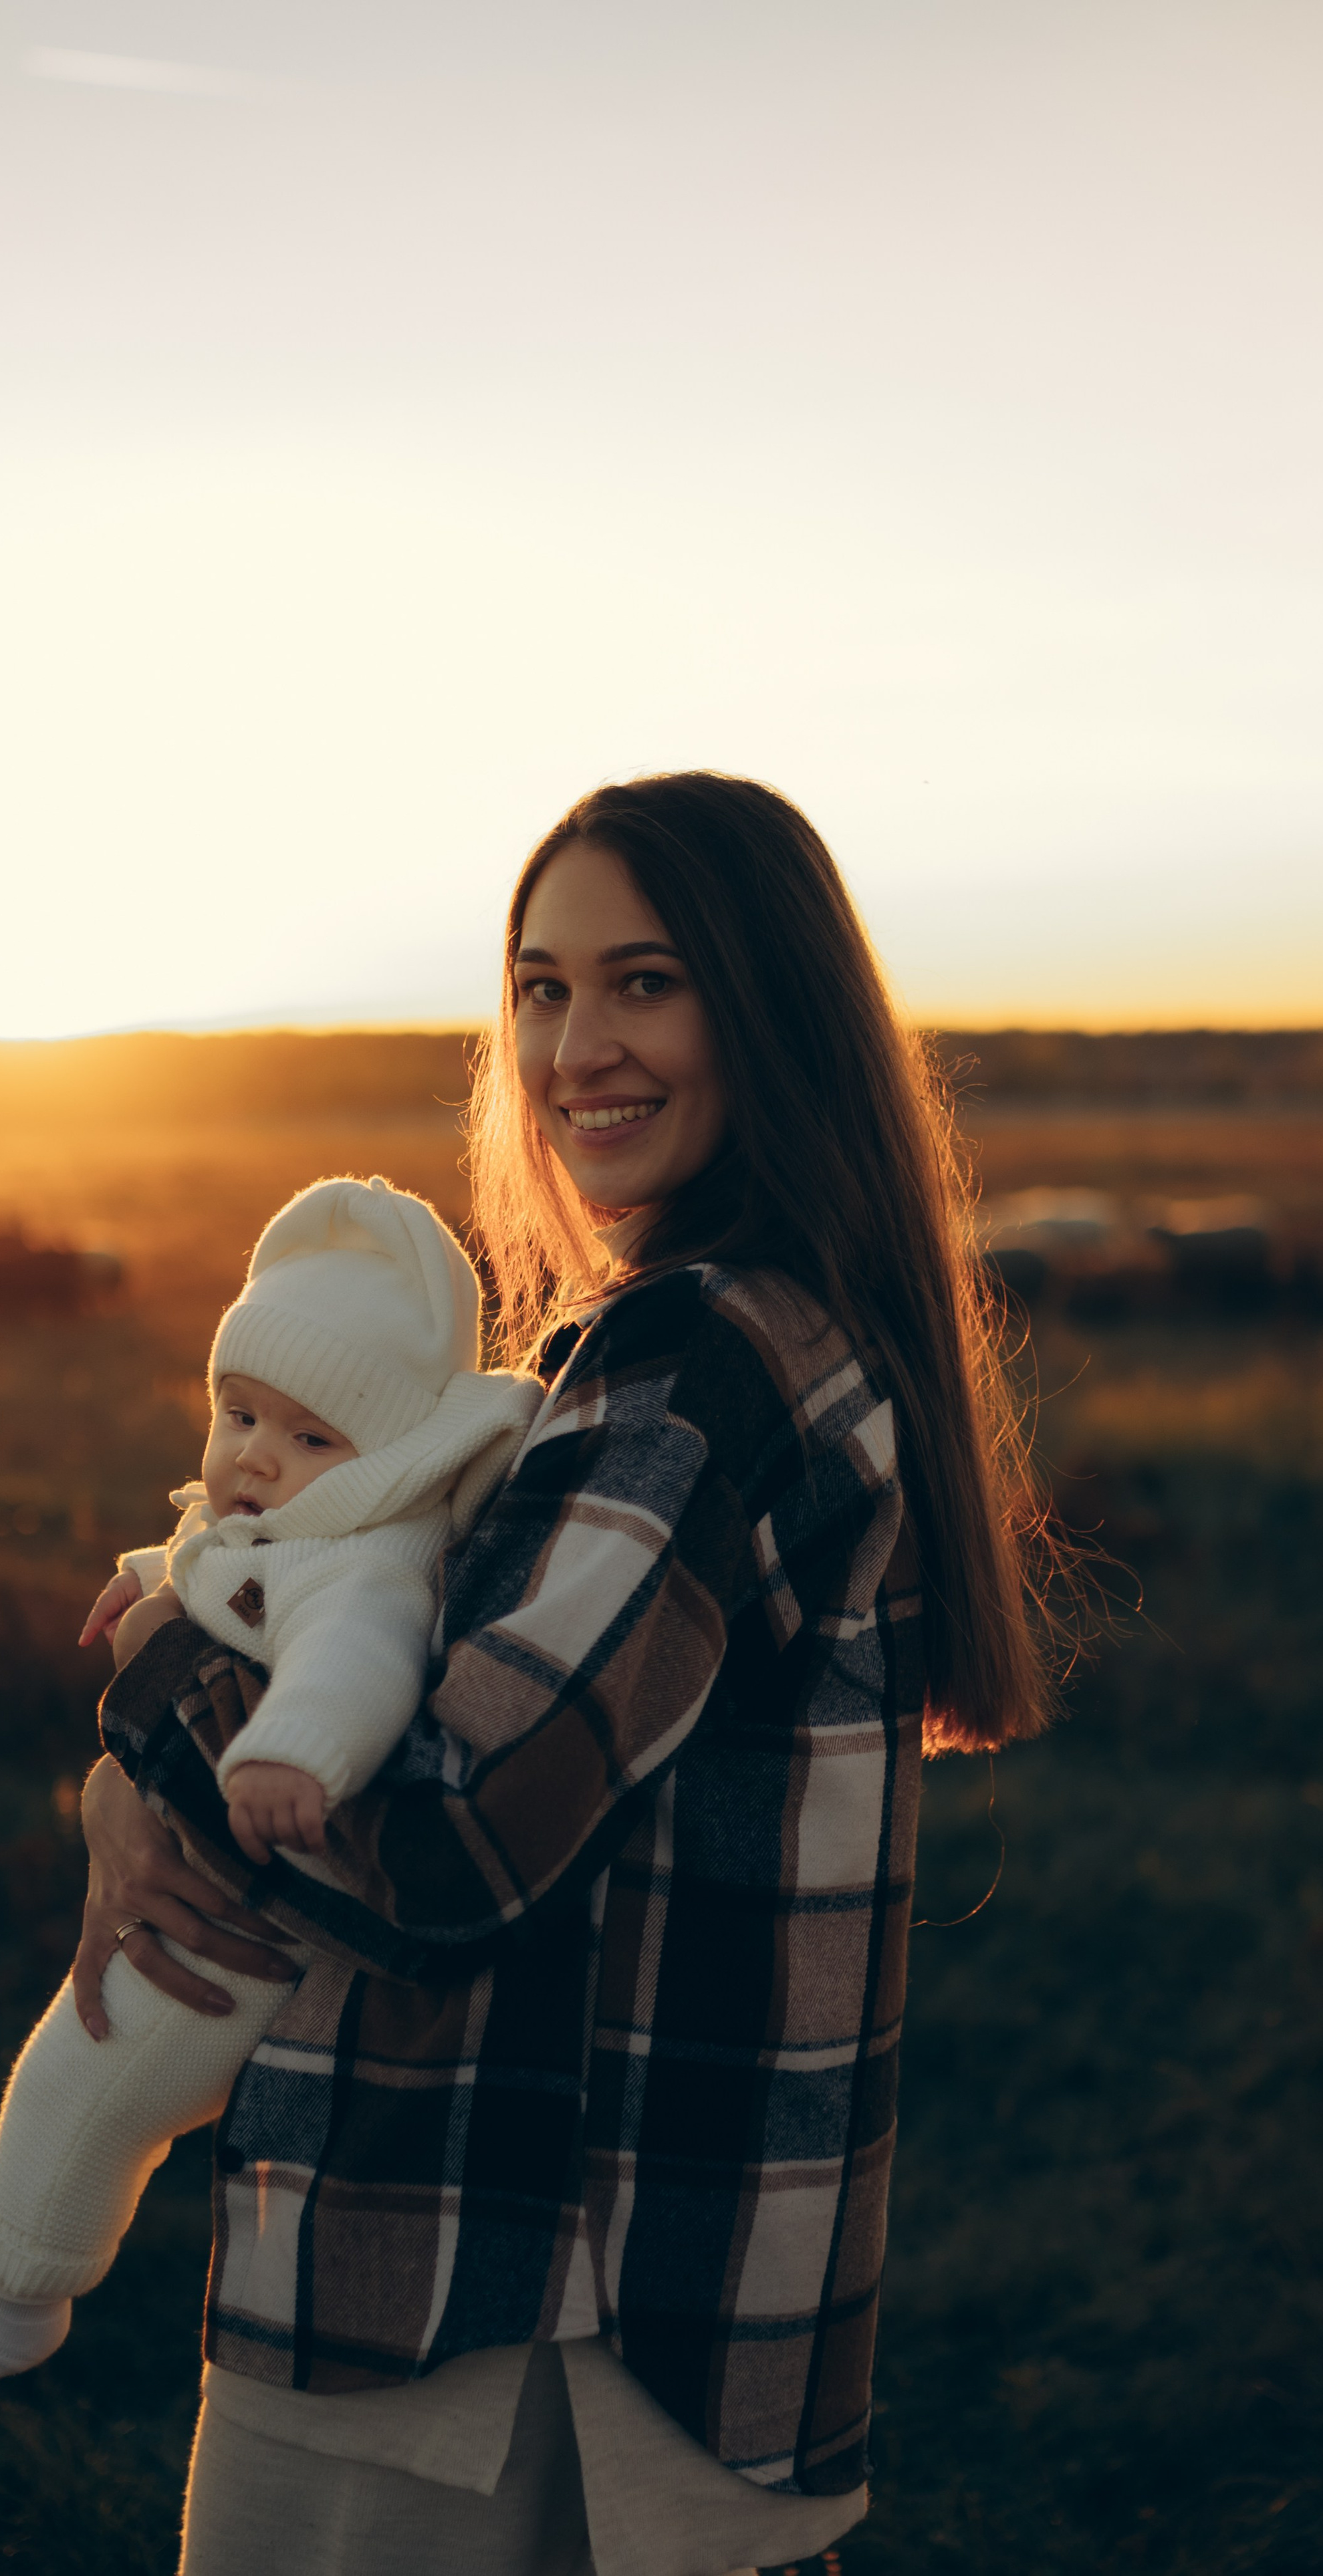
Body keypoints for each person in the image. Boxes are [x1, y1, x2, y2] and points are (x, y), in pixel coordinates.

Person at [74, 772, 1058, 2576]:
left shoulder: (691, 1367)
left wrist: (154, 1702)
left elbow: (454, 1841)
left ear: (767, 1004)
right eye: (539, 986)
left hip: (493, 2313)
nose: (575, 1043)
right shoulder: (763, 1333)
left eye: (645, 980)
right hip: (646, 2315)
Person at [0, 1176, 540, 2402]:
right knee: (68, 2067)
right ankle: (18, 2278)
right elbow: (211, 1542)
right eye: (239, 1412)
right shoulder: (296, 1519)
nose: (255, 1455)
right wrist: (143, 1574)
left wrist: (290, 1751)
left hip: (248, 1935)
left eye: (309, 1438)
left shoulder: (369, 1563)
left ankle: (19, 2297)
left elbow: (356, 1656)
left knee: (94, 2081)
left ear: (389, 1458)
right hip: (212, 1889)